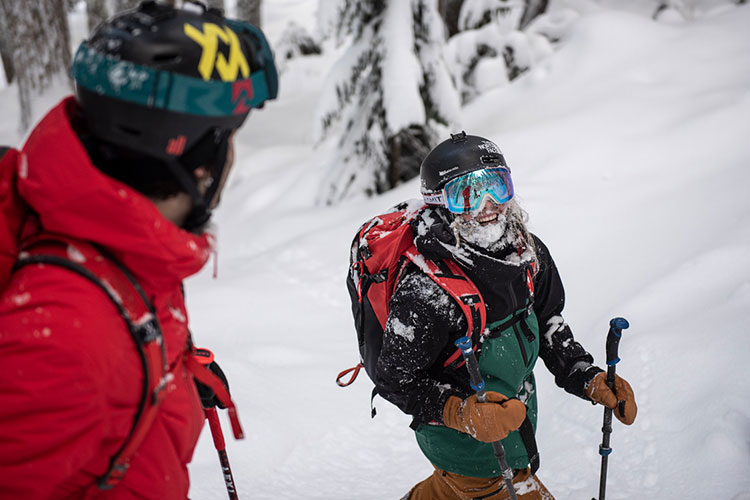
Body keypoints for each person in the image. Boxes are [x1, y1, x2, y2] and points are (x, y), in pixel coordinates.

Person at [0, 2, 277, 499]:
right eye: (226, 138)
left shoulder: (109, 239)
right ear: (193, 159)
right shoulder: (63, 338)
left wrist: (168, 371)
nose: (230, 157)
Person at [373, 132, 637, 500]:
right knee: (478, 486)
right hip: (466, 449)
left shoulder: (526, 253)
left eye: (497, 186)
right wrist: (460, 413)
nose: (487, 205)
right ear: (439, 203)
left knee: (449, 491)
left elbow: (547, 322)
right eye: (466, 194)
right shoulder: (427, 290)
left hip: (513, 425)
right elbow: (394, 378)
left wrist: (584, 375)